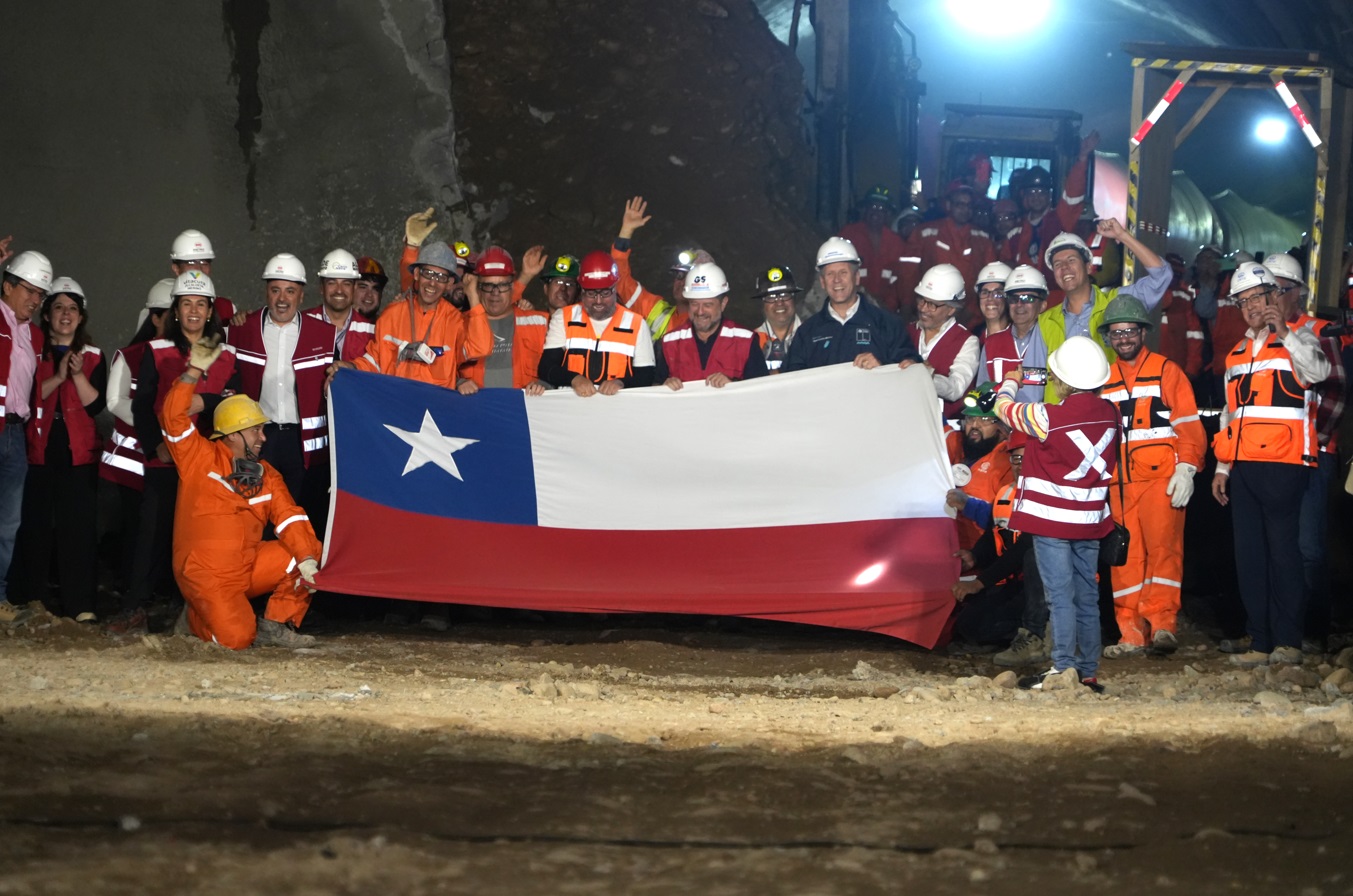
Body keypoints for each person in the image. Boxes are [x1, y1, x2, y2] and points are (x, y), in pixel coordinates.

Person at [159, 337, 322, 649]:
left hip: (246, 568)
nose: (263, 437)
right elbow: (172, 418)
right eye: (256, 430)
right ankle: (196, 615)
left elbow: (289, 517)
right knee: (237, 639)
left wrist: (306, 560)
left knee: (311, 547)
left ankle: (275, 624)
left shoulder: (267, 475)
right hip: (204, 575)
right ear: (233, 434)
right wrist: (193, 371)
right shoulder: (198, 456)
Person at [1211, 261, 1330, 667]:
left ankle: (1288, 642)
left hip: (1285, 464)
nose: (1250, 308)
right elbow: (1230, 415)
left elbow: (1318, 372)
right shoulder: (1237, 354)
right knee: (1250, 556)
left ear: (1274, 297)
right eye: (1242, 302)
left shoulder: (1301, 338)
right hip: (1244, 466)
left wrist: (1284, 331)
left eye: (1257, 298)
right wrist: (1222, 468)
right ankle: (1260, 642)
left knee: (1283, 553)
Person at [110, 271, 236, 635]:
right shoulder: (156, 351)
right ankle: (134, 608)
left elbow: (234, 403)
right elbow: (144, 405)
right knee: (151, 536)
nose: (194, 311)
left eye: (200, 304)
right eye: (186, 304)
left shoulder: (226, 355)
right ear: (176, 311)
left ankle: (196, 613)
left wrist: (203, 401)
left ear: (211, 310)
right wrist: (156, 447)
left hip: (208, 466)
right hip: (166, 461)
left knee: (202, 541)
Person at [994, 336, 1119, 691]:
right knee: (1086, 595)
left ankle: (1063, 667)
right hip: (1091, 521)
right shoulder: (1111, 413)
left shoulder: (1045, 416)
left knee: (1059, 595)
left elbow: (1003, 408)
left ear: (1063, 380)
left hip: (1051, 520)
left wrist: (1012, 380)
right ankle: (1088, 672)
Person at [1096, 297, 1206, 658]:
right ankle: (1130, 634)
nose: (1124, 338)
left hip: (1161, 481)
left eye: (1129, 331)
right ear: (1109, 338)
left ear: (1143, 331)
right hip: (1118, 487)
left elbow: (1188, 424)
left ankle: (1162, 626)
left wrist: (1187, 467)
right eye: (1117, 333)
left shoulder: (1166, 371)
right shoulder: (1102, 380)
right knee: (1124, 560)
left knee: (1164, 555)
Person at [1263, 252, 1345, 653]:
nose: (1274, 297)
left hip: (1312, 455)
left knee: (1308, 547)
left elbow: (1334, 392)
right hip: (1275, 458)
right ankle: (1278, 630)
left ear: (1299, 293)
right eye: (1269, 289)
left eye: (1282, 289)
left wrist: (1312, 439)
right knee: (1275, 544)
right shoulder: (1259, 333)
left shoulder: (1317, 329)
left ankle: (1313, 630)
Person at [16, 278, 106, 622]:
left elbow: (96, 407)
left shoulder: (96, 357)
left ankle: (81, 606)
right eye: (58, 307)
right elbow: (24, 397)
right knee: (34, 528)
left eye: (72, 308)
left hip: (78, 454)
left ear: (81, 317)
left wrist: (78, 375)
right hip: (37, 451)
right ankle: (32, 602)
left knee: (78, 531)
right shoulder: (31, 348)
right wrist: (57, 375)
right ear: (47, 315)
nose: (65, 314)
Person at [225, 253, 336, 520]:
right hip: (260, 438)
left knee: (301, 511)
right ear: (266, 292)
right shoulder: (242, 330)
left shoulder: (324, 334)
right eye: (275, 290)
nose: (282, 299)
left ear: (301, 295)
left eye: (290, 291)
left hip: (304, 445)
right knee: (257, 508)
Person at [100, 278, 174, 601]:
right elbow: (114, 401)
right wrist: (156, 424)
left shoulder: (182, 356)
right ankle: (131, 592)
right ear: (154, 318)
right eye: (170, 313)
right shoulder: (130, 355)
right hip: (131, 464)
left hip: (165, 461)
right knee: (135, 531)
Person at [1038, 220, 1171, 400]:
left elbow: (1162, 276)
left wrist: (1122, 236)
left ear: (1088, 267)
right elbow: (1037, 378)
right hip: (1061, 421)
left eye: (1071, 260)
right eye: (1058, 264)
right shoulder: (1045, 321)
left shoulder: (1117, 304)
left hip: (1109, 413)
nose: (1065, 268)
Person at [336, 242, 491, 388]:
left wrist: (473, 296)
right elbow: (376, 360)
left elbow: (480, 348)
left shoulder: (455, 320)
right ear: (417, 274)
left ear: (449, 284)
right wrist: (351, 366)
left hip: (435, 411)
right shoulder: (392, 315)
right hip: (398, 406)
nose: (432, 282)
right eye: (428, 273)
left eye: (441, 277)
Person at [0, 250, 51, 624]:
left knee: (7, 524)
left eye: (39, 295)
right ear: (7, 286)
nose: (34, 300)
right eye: (28, 291)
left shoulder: (34, 334)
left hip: (14, 435)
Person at [781, 237, 921, 373]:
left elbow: (910, 369)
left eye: (843, 272)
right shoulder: (807, 332)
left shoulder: (887, 325)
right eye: (830, 274)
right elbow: (792, 378)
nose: (837, 280)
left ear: (857, 277)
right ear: (822, 282)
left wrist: (882, 367)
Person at [537, 251, 656, 396]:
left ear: (615, 288)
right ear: (582, 291)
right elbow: (546, 368)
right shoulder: (563, 317)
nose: (598, 301)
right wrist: (574, 379)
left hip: (617, 409)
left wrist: (621, 382)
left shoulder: (636, 323)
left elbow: (646, 376)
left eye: (605, 293)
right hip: (571, 408)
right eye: (591, 294)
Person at [1001, 132, 1099, 280]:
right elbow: (1004, 262)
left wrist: (1082, 159)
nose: (1036, 197)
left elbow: (1073, 194)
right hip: (1025, 296)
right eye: (1032, 192)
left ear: (1049, 195)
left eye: (1041, 192)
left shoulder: (1059, 219)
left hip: (1054, 295)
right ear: (1024, 195)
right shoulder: (1015, 232)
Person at [899, 183, 998, 326]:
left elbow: (989, 279)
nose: (965, 210)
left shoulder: (983, 239)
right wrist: (906, 306)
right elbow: (908, 273)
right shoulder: (925, 233)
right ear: (948, 205)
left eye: (969, 206)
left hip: (970, 320)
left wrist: (971, 310)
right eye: (960, 205)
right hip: (930, 312)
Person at [656, 262, 767, 389]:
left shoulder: (746, 341)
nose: (700, 311)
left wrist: (733, 385)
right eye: (694, 304)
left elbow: (761, 393)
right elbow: (654, 389)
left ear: (723, 303)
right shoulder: (670, 342)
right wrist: (663, 387)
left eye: (708, 305)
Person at [456, 246, 549, 395]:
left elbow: (559, 369)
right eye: (488, 286)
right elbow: (442, 369)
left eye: (502, 285)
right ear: (477, 287)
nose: (495, 293)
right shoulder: (458, 325)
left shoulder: (540, 323)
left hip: (525, 414)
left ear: (512, 286)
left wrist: (545, 385)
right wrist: (458, 382)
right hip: (474, 413)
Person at [611, 196, 691, 340]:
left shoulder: (713, 327)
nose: (682, 281)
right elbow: (620, 281)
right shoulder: (658, 312)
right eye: (679, 275)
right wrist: (625, 232)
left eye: (690, 276)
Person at [907, 264, 979, 419]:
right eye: (922, 300)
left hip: (945, 431)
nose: (924, 309)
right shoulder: (907, 332)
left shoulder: (967, 341)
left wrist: (928, 376)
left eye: (932, 304)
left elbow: (956, 388)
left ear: (951, 309)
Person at [979, 265, 1050, 402]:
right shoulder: (992, 344)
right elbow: (982, 393)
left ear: (1042, 305)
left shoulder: (1049, 340)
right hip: (999, 421)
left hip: (1041, 420)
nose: (1019, 304)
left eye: (1027, 298)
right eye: (1013, 299)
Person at [839, 184, 910, 313]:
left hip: (886, 310)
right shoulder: (848, 234)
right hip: (852, 306)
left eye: (881, 208)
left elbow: (901, 280)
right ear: (865, 210)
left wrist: (890, 307)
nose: (876, 212)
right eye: (872, 206)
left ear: (888, 213)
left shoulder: (896, 243)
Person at [305, 249, 375, 363]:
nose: (339, 290)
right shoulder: (301, 324)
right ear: (322, 287)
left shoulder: (372, 331)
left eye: (346, 283)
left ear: (354, 288)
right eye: (332, 283)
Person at [169, 229, 237, 321]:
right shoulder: (164, 306)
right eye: (191, 262)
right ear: (176, 269)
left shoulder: (225, 308)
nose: (199, 269)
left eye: (204, 262)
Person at [1156, 253, 1204, 379]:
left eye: (1177, 274)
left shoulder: (1184, 298)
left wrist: (1192, 368)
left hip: (1176, 371)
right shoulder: (1146, 295)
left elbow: (1195, 336)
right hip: (1149, 370)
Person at [751, 265, 804, 373]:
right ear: (762, 303)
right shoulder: (751, 341)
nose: (779, 303)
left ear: (794, 297)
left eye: (785, 295)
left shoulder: (812, 335)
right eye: (771, 297)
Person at [972, 262, 1012, 345]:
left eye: (998, 293)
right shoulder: (972, 338)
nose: (990, 298)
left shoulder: (1021, 337)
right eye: (985, 292)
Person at [354, 256, 388, 321]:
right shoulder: (334, 326)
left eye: (375, 289)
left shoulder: (386, 327)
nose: (369, 294)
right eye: (363, 287)